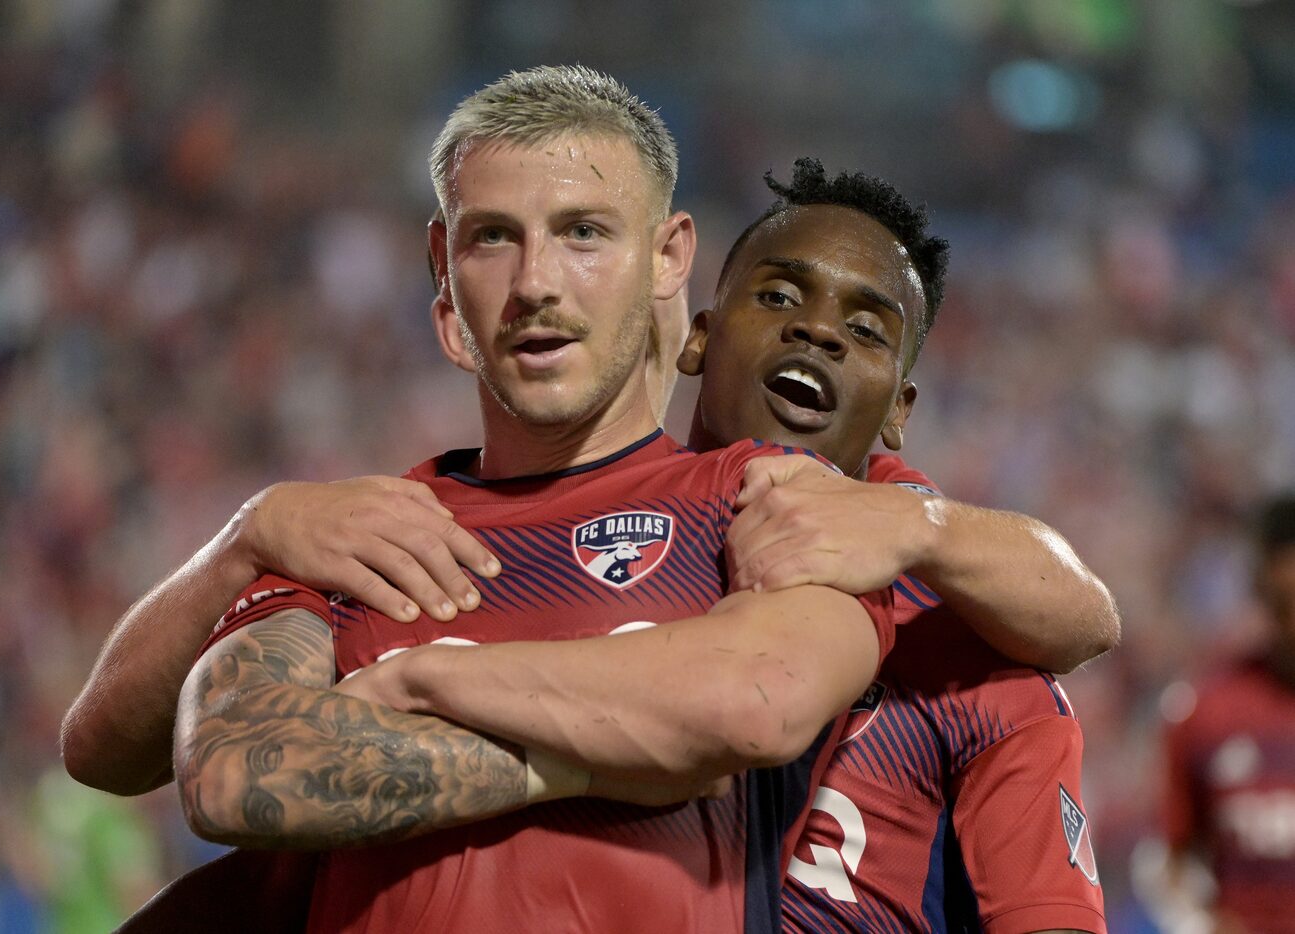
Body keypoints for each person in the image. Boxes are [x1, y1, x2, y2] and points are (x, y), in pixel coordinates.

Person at [63, 69, 1117, 929]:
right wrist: (607, 754)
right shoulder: (352, 533)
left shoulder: (781, 512)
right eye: (492, 238)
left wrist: (415, 683)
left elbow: (751, 702)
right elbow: (232, 772)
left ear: (665, 264)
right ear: (443, 279)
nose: (536, 282)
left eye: (582, 232)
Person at [1154, 493, 1295, 933]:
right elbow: (1166, 863)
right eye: (1286, 604)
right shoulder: (1203, 713)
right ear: (1261, 590)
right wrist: (1202, 923)